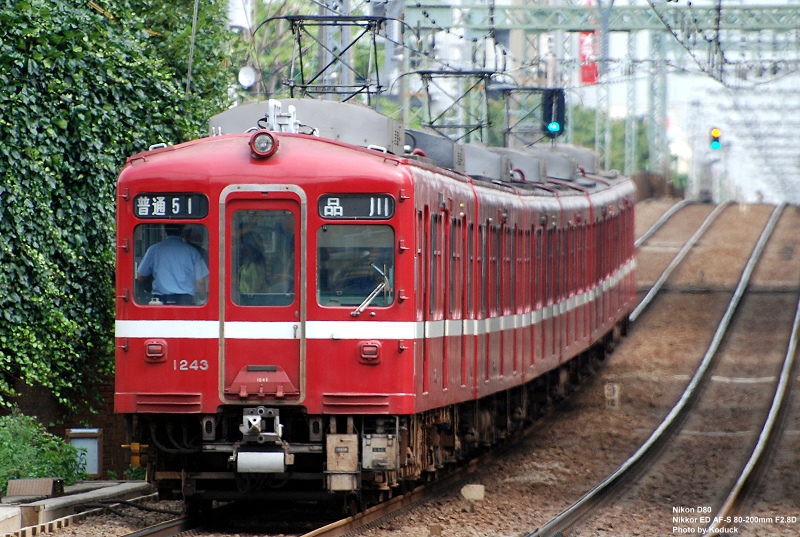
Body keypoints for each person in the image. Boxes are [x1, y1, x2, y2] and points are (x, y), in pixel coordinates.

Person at [137, 224, 210, 305]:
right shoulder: (192, 252)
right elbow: (200, 282)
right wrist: (202, 299)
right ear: (183, 232)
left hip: (160, 301)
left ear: (165, 230)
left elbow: (140, 276)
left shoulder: (154, 249)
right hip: (185, 301)